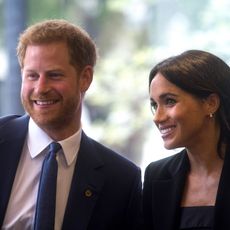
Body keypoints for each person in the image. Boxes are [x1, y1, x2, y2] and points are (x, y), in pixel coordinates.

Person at [0, 19, 142, 230]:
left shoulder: (121, 180)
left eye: (54, 75)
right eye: (32, 76)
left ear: (85, 78)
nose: (40, 88)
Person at [143, 50, 230, 230]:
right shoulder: (156, 175)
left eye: (169, 101)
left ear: (211, 103)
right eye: (154, 105)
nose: (157, 117)